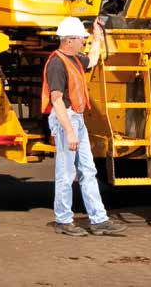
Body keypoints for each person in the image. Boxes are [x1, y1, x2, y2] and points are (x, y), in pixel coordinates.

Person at [42, 16, 127, 237]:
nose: (83, 42)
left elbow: (93, 59)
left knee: (88, 171)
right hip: (66, 121)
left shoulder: (75, 59)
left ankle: (99, 220)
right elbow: (57, 100)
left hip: (77, 119)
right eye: (81, 38)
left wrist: (97, 36)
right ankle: (63, 220)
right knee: (66, 172)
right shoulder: (57, 63)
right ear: (68, 40)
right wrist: (69, 131)